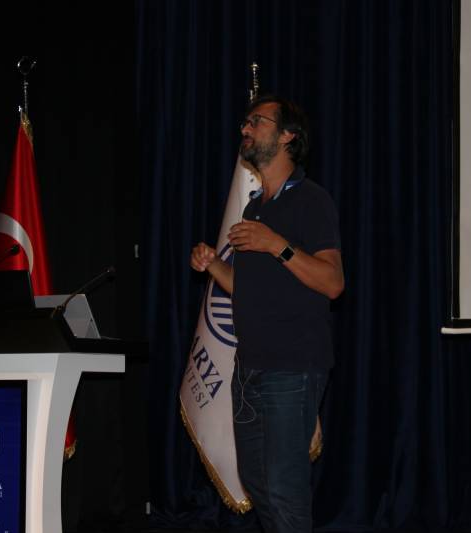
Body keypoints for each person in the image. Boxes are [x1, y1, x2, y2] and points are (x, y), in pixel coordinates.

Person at [190, 95, 344, 532]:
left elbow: (333, 282)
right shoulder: (254, 208)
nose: (245, 129)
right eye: (245, 122)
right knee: (258, 484)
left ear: (288, 136)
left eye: (256, 122)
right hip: (248, 368)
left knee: (284, 491)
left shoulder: (312, 201)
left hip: (291, 369)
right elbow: (249, 290)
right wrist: (213, 265)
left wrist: (276, 244)